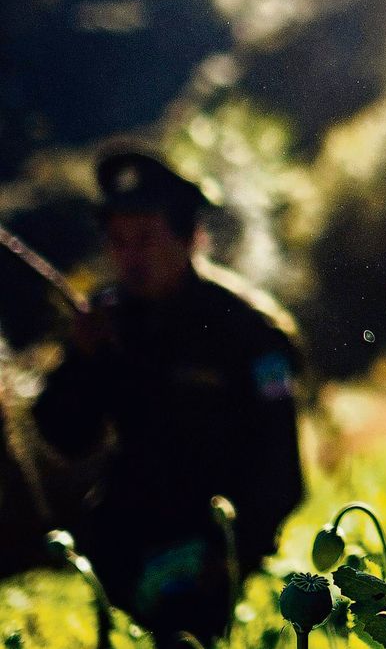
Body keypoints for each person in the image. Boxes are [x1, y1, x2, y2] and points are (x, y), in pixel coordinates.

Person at [31, 149, 304, 647]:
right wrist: (82, 359)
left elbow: (280, 469)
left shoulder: (250, 331)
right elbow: (65, 437)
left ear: (188, 238)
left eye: (144, 239)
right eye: (117, 242)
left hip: (218, 549)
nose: (129, 257)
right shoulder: (109, 325)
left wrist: (229, 557)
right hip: (130, 549)